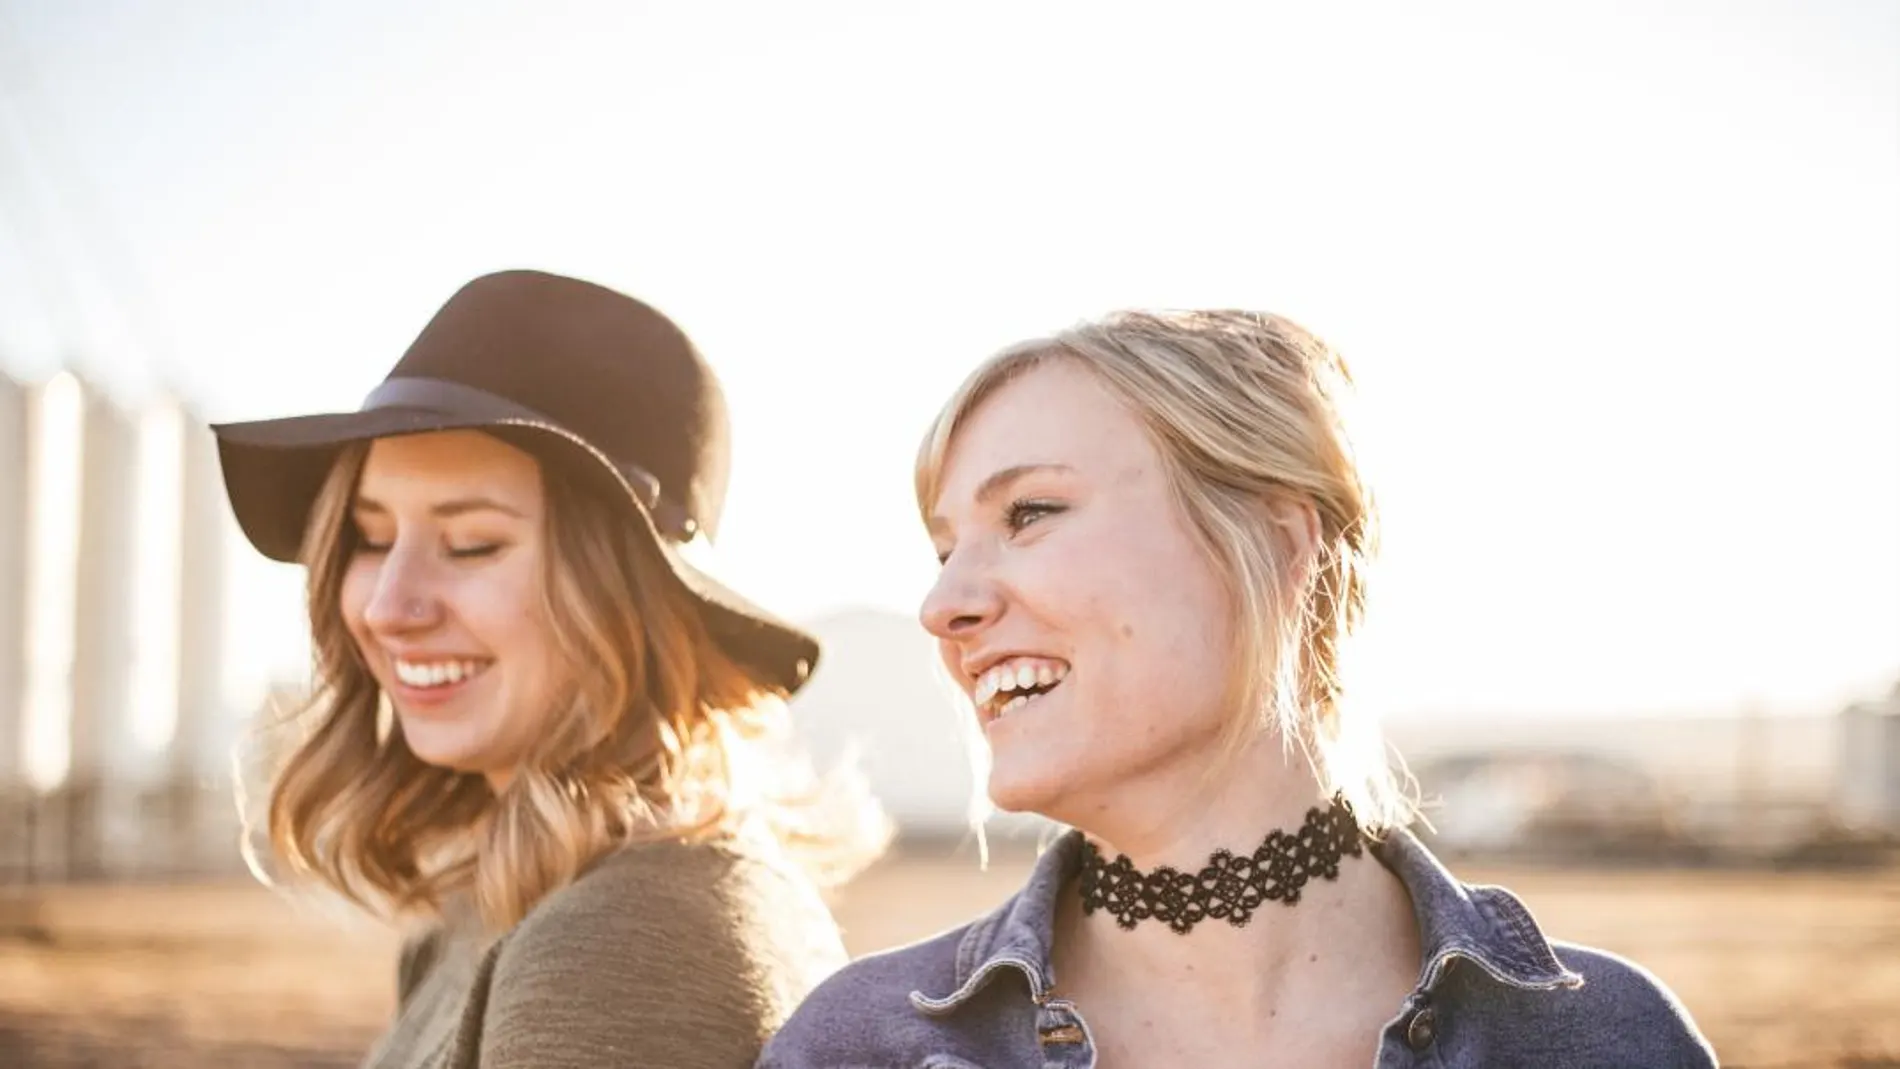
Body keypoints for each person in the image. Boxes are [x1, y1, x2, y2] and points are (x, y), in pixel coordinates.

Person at [759, 310, 1716, 1067]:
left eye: (1031, 511)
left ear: (1277, 543)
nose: (944, 604)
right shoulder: (859, 1048)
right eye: (943, 549)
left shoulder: (1606, 1041)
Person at [213, 269, 887, 1069]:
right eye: (370, 537)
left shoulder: (625, 946)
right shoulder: (495, 913)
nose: (391, 606)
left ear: (628, 597)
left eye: (472, 544)